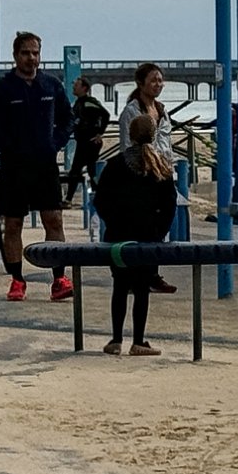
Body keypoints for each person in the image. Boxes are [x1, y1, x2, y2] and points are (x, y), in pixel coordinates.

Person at [0, 31, 73, 302]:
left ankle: (59, 279)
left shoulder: (51, 86)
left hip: (46, 165)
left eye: (35, 53)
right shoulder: (2, 89)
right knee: (13, 224)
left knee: (53, 220)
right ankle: (17, 280)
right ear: (15, 56)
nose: (31, 58)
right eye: (25, 53)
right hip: (14, 167)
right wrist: (8, 147)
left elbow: (68, 118)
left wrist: (55, 143)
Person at [90, 113, 174, 356]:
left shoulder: (115, 165)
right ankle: (139, 340)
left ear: (129, 134)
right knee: (141, 288)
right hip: (148, 236)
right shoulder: (160, 166)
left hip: (118, 235)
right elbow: (169, 205)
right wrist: (158, 231)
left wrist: (114, 223)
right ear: (154, 134)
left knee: (120, 285)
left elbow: (101, 200)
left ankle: (116, 339)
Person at [117, 65, 179, 294]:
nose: (158, 84)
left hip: (163, 172)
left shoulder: (162, 110)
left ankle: (151, 272)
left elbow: (167, 142)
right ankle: (141, 274)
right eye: (153, 80)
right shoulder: (132, 111)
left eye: (161, 80)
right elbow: (127, 145)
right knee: (141, 225)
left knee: (163, 220)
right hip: (142, 174)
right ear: (141, 83)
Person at [65, 77, 111, 201]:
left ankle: (70, 198)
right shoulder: (78, 103)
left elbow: (106, 114)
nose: (74, 87)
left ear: (84, 88)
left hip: (90, 142)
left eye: (77, 85)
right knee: (88, 170)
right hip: (82, 141)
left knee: (80, 171)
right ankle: (96, 195)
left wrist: (100, 133)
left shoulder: (89, 102)